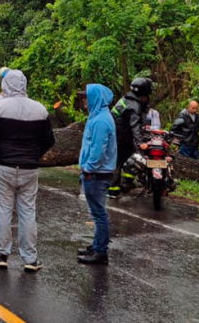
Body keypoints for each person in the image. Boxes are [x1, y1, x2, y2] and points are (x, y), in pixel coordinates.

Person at [0, 70, 55, 272]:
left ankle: (1, 254)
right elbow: (49, 140)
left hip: (4, 166)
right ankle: (30, 259)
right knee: (27, 212)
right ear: (24, 84)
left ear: (5, 84)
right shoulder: (40, 110)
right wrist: (35, 155)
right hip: (29, 168)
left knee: (3, 211)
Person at [77, 84, 117, 265]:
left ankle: (101, 252)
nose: (84, 100)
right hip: (96, 171)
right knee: (96, 213)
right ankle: (97, 245)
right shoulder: (97, 117)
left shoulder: (101, 121)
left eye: (86, 97)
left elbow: (98, 150)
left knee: (99, 214)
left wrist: (88, 169)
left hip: (97, 173)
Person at [109, 77, 152, 197]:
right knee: (127, 158)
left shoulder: (127, 98)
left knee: (126, 157)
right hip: (121, 135)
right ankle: (115, 188)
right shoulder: (135, 105)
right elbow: (135, 126)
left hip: (118, 133)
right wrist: (141, 143)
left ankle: (125, 183)